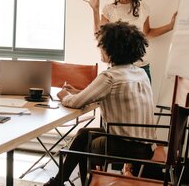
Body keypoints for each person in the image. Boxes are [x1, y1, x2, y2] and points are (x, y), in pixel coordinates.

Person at [44, 21, 156, 186]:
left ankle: (60, 181)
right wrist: (78, 92)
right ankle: (59, 181)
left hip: (124, 145)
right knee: (83, 134)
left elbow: (75, 103)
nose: (100, 48)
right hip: (146, 145)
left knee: (85, 140)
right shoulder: (139, 73)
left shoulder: (110, 76)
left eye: (101, 45)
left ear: (112, 49)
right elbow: (111, 94)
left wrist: (64, 95)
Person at [85, 0, 177, 80]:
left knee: (145, 98)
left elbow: (146, 33)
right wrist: (95, 10)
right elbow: (100, 36)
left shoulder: (143, 7)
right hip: (117, 68)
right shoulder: (109, 9)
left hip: (140, 68)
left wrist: (170, 26)